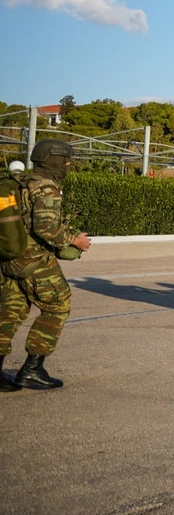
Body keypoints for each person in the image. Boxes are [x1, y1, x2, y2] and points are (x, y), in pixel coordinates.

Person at [0, 139, 91, 391]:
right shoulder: (46, 188)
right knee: (58, 306)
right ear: (54, 159)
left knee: (9, 313)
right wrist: (76, 241)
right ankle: (32, 370)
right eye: (66, 160)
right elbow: (46, 228)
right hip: (34, 262)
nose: (68, 165)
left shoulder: (20, 182)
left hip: (10, 259)